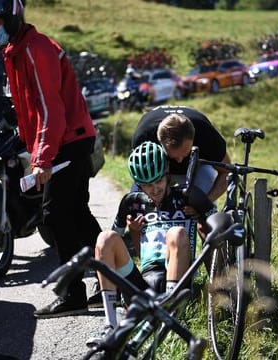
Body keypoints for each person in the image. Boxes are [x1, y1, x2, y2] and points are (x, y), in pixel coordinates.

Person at [0, 0, 102, 318]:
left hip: (68, 140)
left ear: (12, 18)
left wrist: (41, 159)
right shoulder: (17, 50)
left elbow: (50, 109)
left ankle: (74, 294)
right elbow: (31, 104)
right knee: (76, 214)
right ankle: (111, 280)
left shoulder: (34, 50)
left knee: (54, 216)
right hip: (71, 138)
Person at [86, 141, 215, 347]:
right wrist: (134, 232)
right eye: (147, 185)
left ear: (167, 174)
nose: (154, 189)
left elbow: (218, 226)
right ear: (138, 183)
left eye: (158, 181)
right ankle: (110, 325)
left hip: (178, 281)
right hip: (143, 284)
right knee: (105, 237)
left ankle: (169, 317)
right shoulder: (132, 202)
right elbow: (109, 247)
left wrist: (201, 219)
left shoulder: (188, 197)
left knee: (176, 233)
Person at [132, 105, 231, 202]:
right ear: (159, 142)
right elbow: (141, 174)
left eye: (185, 154)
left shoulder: (206, 135)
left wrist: (205, 203)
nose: (179, 161)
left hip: (197, 167)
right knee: (137, 205)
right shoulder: (144, 137)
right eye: (172, 156)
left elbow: (227, 171)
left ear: (193, 139)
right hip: (160, 171)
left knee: (205, 182)